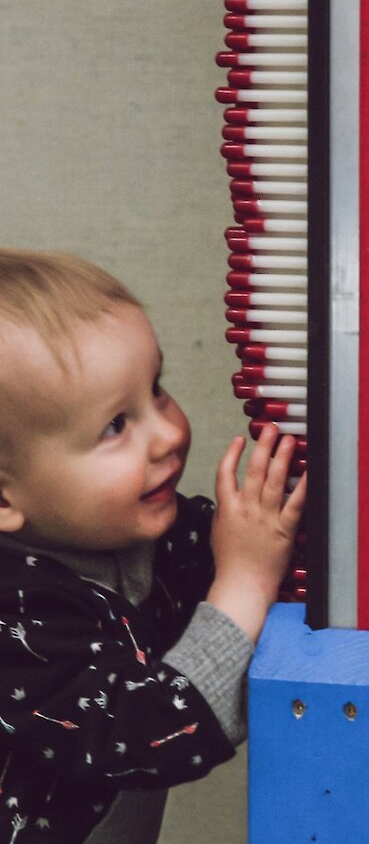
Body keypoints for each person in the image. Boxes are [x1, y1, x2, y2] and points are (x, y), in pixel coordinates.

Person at [0, 248, 306, 844]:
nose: (168, 433)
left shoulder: (145, 532)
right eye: (115, 425)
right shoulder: (16, 619)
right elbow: (158, 732)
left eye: (157, 390)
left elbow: (265, 557)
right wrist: (245, 583)